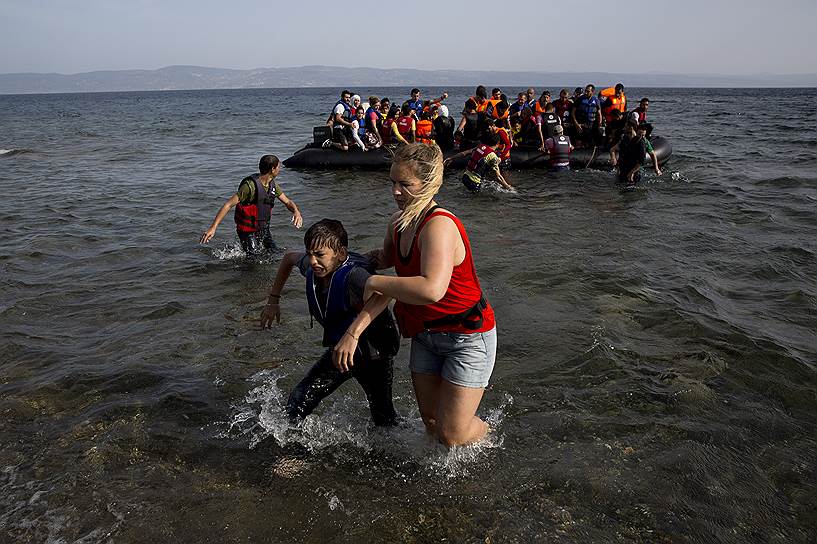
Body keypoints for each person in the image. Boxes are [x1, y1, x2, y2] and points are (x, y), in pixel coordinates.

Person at [350, 143, 498, 446]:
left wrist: (375, 282)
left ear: (428, 184)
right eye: (392, 182)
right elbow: (387, 258)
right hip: (426, 334)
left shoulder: (439, 225)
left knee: (452, 433)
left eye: (405, 184)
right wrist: (342, 263)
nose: (395, 191)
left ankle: (491, 435)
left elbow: (432, 289)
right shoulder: (397, 221)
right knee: (431, 423)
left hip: (467, 335)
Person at [260, 219, 400, 426]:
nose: (313, 261)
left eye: (320, 255)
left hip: (374, 353)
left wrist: (352, 335)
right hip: (341, 353)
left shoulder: (355, 276)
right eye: (310, 253)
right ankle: (292, 454)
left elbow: (386, 292)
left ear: (341, 254)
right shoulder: (313, 267)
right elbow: (289, 258)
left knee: (383, 418)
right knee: (299, 400)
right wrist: (273, 300)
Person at [200, 155, 303, 254]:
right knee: (253, 258)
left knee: (275, 252)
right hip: (247, 231)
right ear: (272, 169)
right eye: (278, 167)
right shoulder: (250, 186)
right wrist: (213, 227)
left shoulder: (273, 185)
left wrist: (296, 212)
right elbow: (228, 205)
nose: (279, 170)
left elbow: (287, 202)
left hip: (263, 228)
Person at [446, 132, 513, 193]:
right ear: (498, 144)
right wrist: (508, 187)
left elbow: (465, 153)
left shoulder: (480, 147)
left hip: (465, 177)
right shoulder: (493, 157)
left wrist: (451, 158)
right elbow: (498, 177)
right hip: (474, 182)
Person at [571, 84, 603, 149]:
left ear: (592, 92)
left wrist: (599, 125)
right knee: (578, 143)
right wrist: (576, 124)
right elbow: (573, 113)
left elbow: (599, 114)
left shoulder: (596, 101)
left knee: (590, 142)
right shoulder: (580, 99)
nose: (585, 92)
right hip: (580, 124)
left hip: (591, 124)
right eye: (585, 91)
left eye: (588, 91)